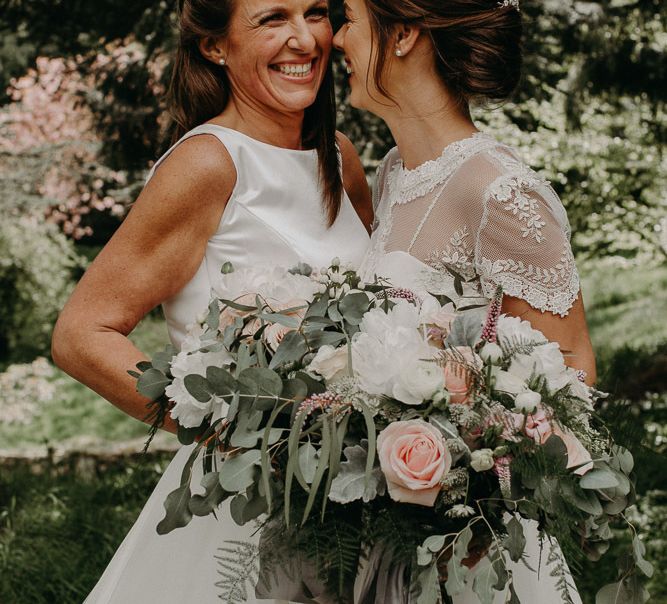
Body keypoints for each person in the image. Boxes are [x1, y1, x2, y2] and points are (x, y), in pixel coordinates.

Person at [51, 0, 372, 602]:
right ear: (214, 46)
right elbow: (81, 334)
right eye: (272, 18)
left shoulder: (340, 158)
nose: (304, 39)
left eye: (316, 12)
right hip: (247, 511)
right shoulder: (207, 163)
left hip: (359, 498)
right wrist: (223, 429)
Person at [333, 0, 595, 602]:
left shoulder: (499, 190)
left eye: (347, 17)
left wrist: (468, 479)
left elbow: (571, 372)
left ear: (401, 34)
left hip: (472, 544)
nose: (335, 38)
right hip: (394, 531)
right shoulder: (396, 171)